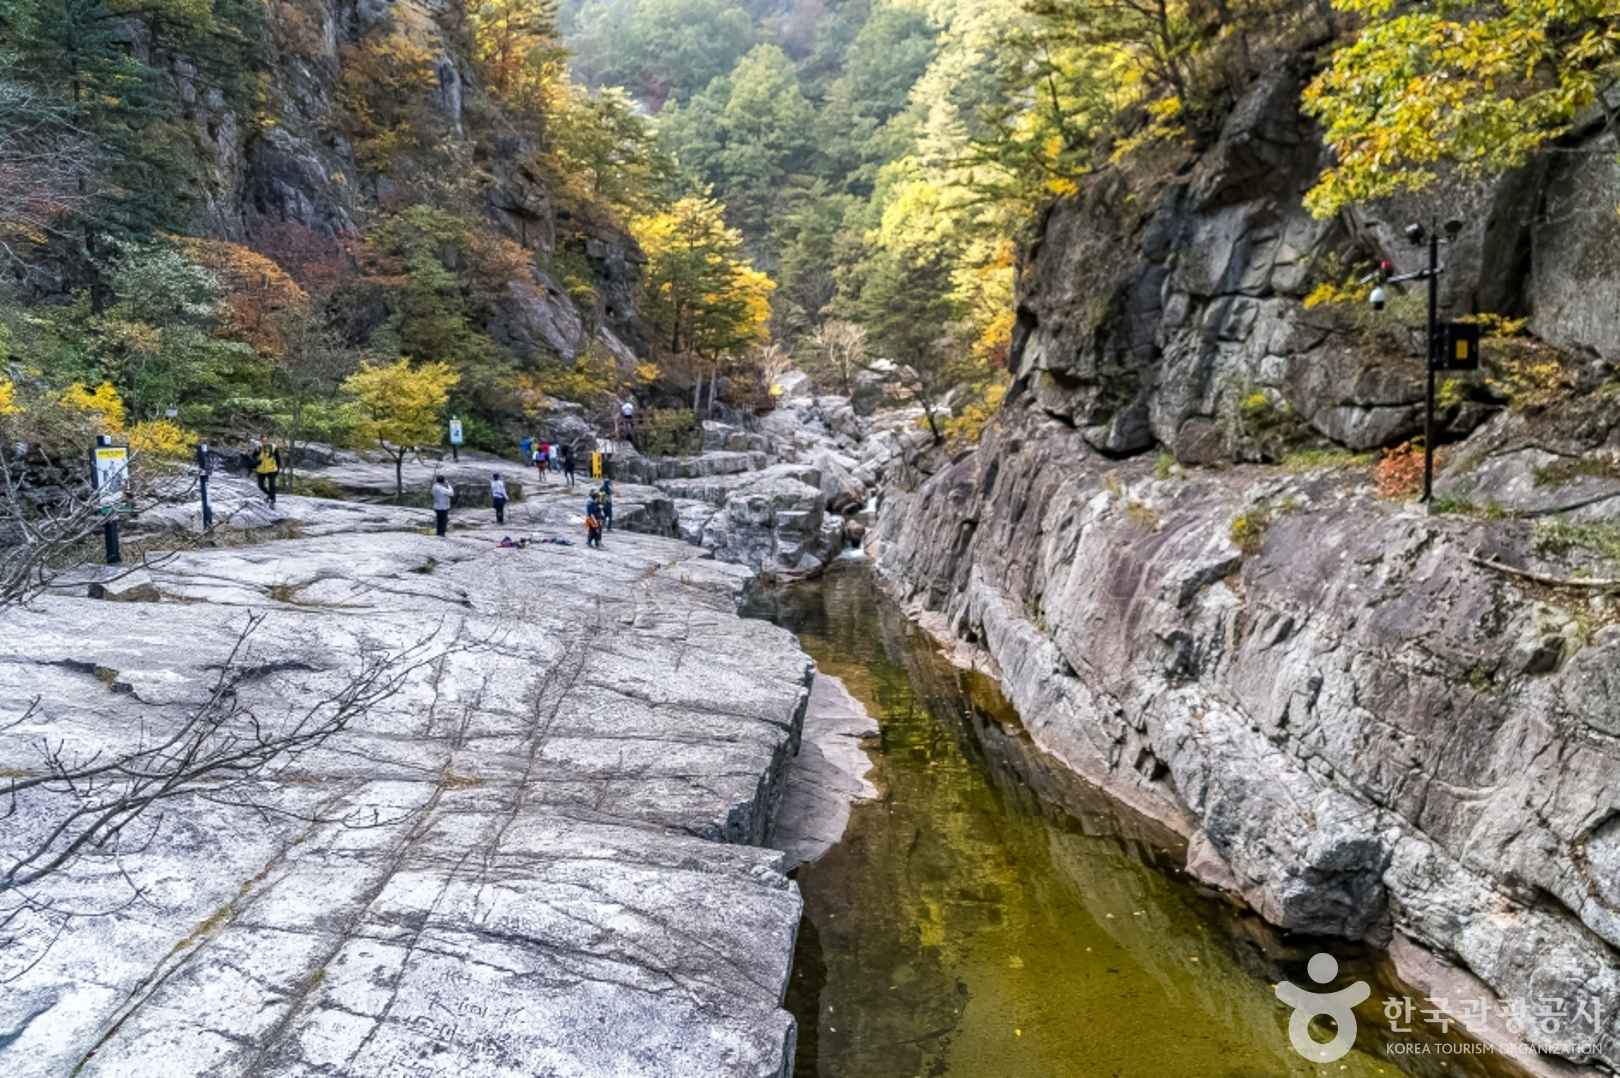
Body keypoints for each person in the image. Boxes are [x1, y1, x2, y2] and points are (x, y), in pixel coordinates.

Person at [254, 437, 282, 507]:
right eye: (263, 441)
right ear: (260, 441)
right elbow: (253, 457)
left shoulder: (273, 447)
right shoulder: (258, 448)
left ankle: (273, 500)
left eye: (266, 440)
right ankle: (270, 495)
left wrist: (278, 470)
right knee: (260, 485)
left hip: (271, 469)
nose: (264, 442)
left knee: (272, 485)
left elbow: (278, 459)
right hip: (261, 470)